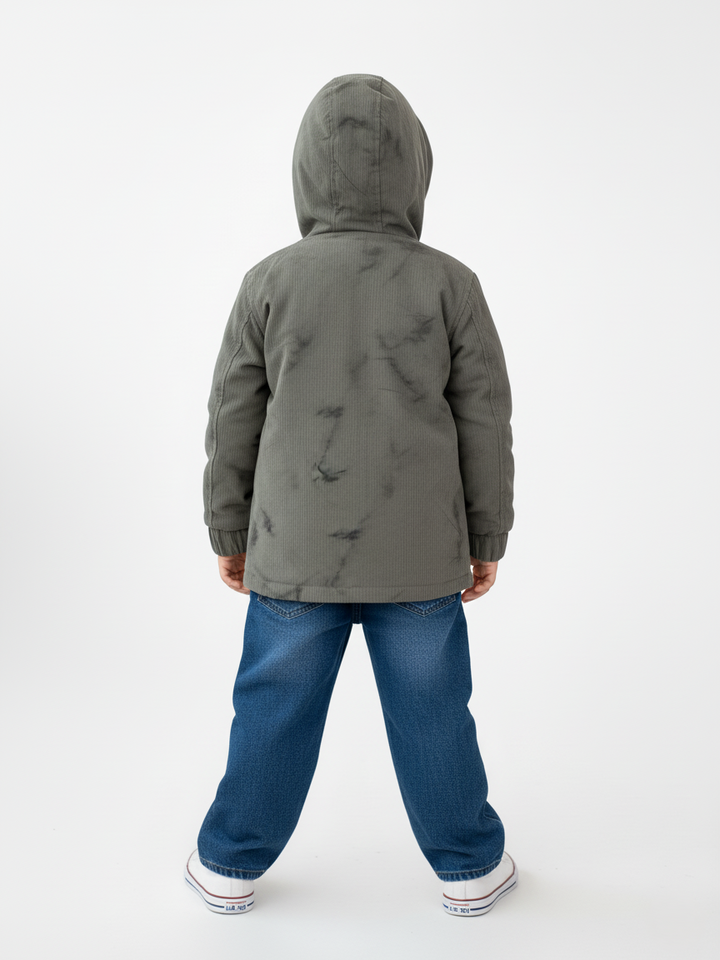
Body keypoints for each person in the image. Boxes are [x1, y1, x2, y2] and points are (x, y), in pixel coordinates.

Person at [185, 74, 517, 917]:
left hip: (294, 550)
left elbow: (232, 416)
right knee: (435, 714)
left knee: (272, 710)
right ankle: (470, 869)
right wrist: (486, 537)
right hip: (421, 554)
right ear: (416, 170)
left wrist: (230, 531)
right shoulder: (451, 284)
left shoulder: (270, 281)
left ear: (304, 169)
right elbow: (485, 418)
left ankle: (227, 864)